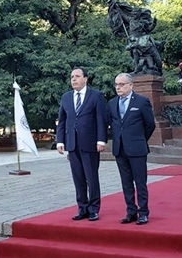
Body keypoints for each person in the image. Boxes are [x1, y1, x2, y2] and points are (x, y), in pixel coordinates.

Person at [56, 67, 107, 222]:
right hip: (72, 144)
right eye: (72, 77)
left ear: (85, 79)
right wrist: (60, 141)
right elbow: (62, 121)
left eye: (77, 76)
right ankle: (82, 208)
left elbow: (101, 119)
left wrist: (101, 140)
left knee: (91, 177)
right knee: (78, 177)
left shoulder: (96, 96)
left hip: (90, 143)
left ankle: (93, 209)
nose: (74, 79)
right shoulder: (66, 97)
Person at [106, 73, 156, 225]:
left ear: (131, 85)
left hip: (137, 149)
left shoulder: (141, 102)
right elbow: (112, 124)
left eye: (121, 84)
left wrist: (140, 139)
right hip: (120, 149)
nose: (118, 87)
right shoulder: (112, 103)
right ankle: (131, 211)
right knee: (126, 182)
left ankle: (143, 212)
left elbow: (150, 125)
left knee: (140, 182)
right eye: (116, 85)